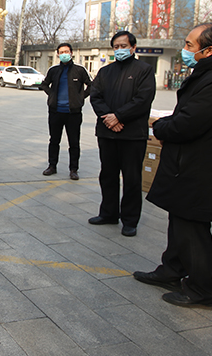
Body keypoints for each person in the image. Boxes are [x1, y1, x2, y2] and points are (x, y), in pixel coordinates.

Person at [134, 23, 212, 310]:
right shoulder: (211, 74)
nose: (184, 50)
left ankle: (201, 291)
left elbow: (189, 123)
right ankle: (172, 270)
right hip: (189, 164)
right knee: (180, 222)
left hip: (203, 170)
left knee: (193, 229)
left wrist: (161, 126)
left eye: (189, 45)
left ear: (208, 51)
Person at [89, 31, 155, 237]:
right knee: (107, 175)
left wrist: (118, 116)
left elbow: (143, 99)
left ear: (133, 48)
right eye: (116, 47)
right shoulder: (105, 72)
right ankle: (108, 213)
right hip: (107, 133)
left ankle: (130, 220)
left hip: (132, 134)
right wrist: (109, 119)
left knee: (132, 178)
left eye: (123, 46)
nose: (120, 50)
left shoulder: (144, 70)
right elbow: (95, 96)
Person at [41, 43, 92, 180]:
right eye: (61, 52)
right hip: (55, 112)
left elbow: (91, 85)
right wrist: (52, 95)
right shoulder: (54, 70)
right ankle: (52, 166)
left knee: (74, 142)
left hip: (73, 113)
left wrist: (80, 97)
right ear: (58, 54)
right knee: (54, 140)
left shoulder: (79, 70)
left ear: (71, 53)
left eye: (66, 51)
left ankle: (74, 169)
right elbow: (44, 84)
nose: (64, 54)